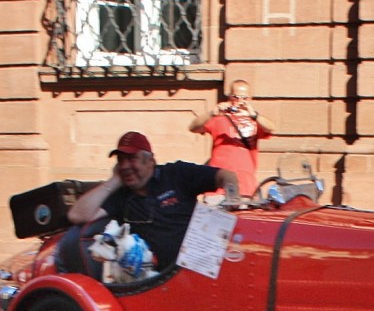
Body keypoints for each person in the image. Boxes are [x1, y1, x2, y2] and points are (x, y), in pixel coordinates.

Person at [57, 131, 240, 279]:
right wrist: (113, 181)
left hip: (198, 267)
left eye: (132, 158)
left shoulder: (176, 174)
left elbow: (227, 176)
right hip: (155, 281)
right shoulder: (121, 196)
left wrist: (232, 199)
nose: (126, 166)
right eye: (121, 161)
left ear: (150, 161)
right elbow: (77, 215)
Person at [188, 80, 276, 197]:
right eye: (235, 97)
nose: (239, 101)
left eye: (244, 97)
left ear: (250, 98)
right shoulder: (219, 118)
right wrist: (212, 113)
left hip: (245, 186)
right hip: (218, 185)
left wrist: (253, 114)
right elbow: (193, 127)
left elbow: (271, 128)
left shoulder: (255, 121)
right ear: (229, 97)